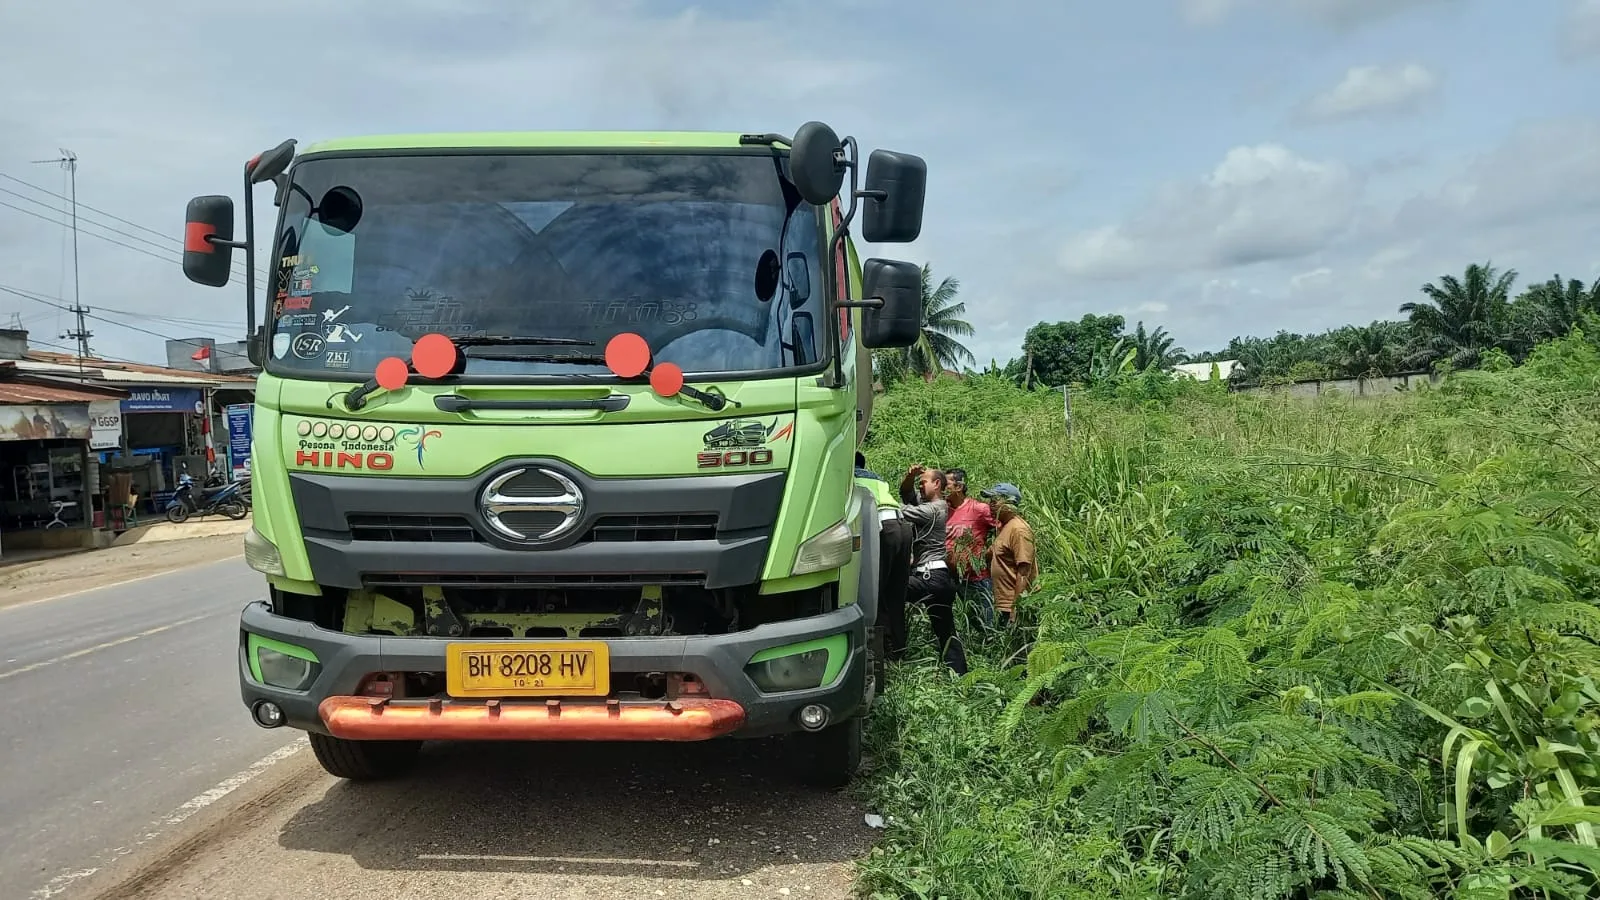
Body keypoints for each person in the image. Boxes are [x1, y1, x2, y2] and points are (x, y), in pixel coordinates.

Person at [897, 464, 968, 674]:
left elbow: (902, 510)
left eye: (923, 482)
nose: (920, 486)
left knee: (891, 591)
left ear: (937, 484)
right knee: (946, 631)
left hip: (930, 577)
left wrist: (879, 501)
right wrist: (910, 476)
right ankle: (960, 674)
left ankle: (894, 653)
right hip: (939, 578)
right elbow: (906, 493)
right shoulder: (930, 505)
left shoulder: (934, 509)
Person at [856, 451, 912, 665]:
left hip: (881, 528)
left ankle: (878, 656)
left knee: (874, 592)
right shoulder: (876, 478)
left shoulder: (850, 478)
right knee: (896, 593)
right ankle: (898, 652)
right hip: (902, 526)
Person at [943, 468, 998, 628]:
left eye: (946, 484)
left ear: (959, 487)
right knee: (966, 625)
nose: (942, 488)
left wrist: (991, 551)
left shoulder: (978, 509)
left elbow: (1003, 527)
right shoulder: (943, 510)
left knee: (986, 625)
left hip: (976, 578)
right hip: (951, 578)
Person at [981, 483, 1036, 626]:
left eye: (995, 501)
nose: (990, 505)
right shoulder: (1004, 527)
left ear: (1010, 503)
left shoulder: (1019, 530)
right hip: (1003, 605)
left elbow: (1024, 570)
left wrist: (1016, 607)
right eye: (990, 501)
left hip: (1014, 605)